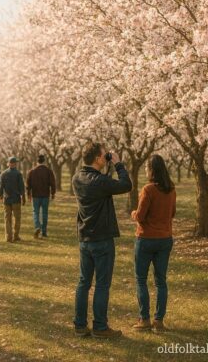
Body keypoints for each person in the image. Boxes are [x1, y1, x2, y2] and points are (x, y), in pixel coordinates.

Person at [72, 142, 132, 338]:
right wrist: (117, 164)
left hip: (85, 238)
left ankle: (80, 325)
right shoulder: (100, 182)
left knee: (83, 283)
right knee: (102, 284)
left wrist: (105, 168)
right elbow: (126, 185)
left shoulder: (77, 178)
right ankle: (100, 327)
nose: (106, 156)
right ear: (98, 158)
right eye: (104, 154)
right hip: (102, 239)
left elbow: (101, 183)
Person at [131, 155, 176, 333]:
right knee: (161, 281)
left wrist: (133, 213)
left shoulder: (148, 189)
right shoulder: (171, 189)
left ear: (151, 169)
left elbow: (140, 216)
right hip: (165, 239)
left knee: (141, 279)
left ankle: (144, 319)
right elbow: (172, 213)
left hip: (146, 239)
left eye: (146, 167)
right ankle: (159, 321)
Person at [26, 155, 56, 239]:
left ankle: (37, 226)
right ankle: (44, 232)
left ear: (37, 161)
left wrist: (28, 194)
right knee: (45, 213)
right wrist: (53, 193)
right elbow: (53, 183)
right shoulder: (48, 171)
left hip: (35, 195)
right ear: (44, 161)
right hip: (45, 195)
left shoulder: (32, 171)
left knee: (35, 212)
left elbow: (28, 184)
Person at [0, 157, 26, 242]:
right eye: (15, 163)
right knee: (17, 218)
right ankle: (16, 235)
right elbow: (22, 187)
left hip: (7, 199)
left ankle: (8, 237)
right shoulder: (18, 174)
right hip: (16, 199)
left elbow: (1, 187)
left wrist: (0, 196)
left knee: (7, 218)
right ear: (14, 164)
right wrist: (23, 197)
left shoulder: (3, 173)